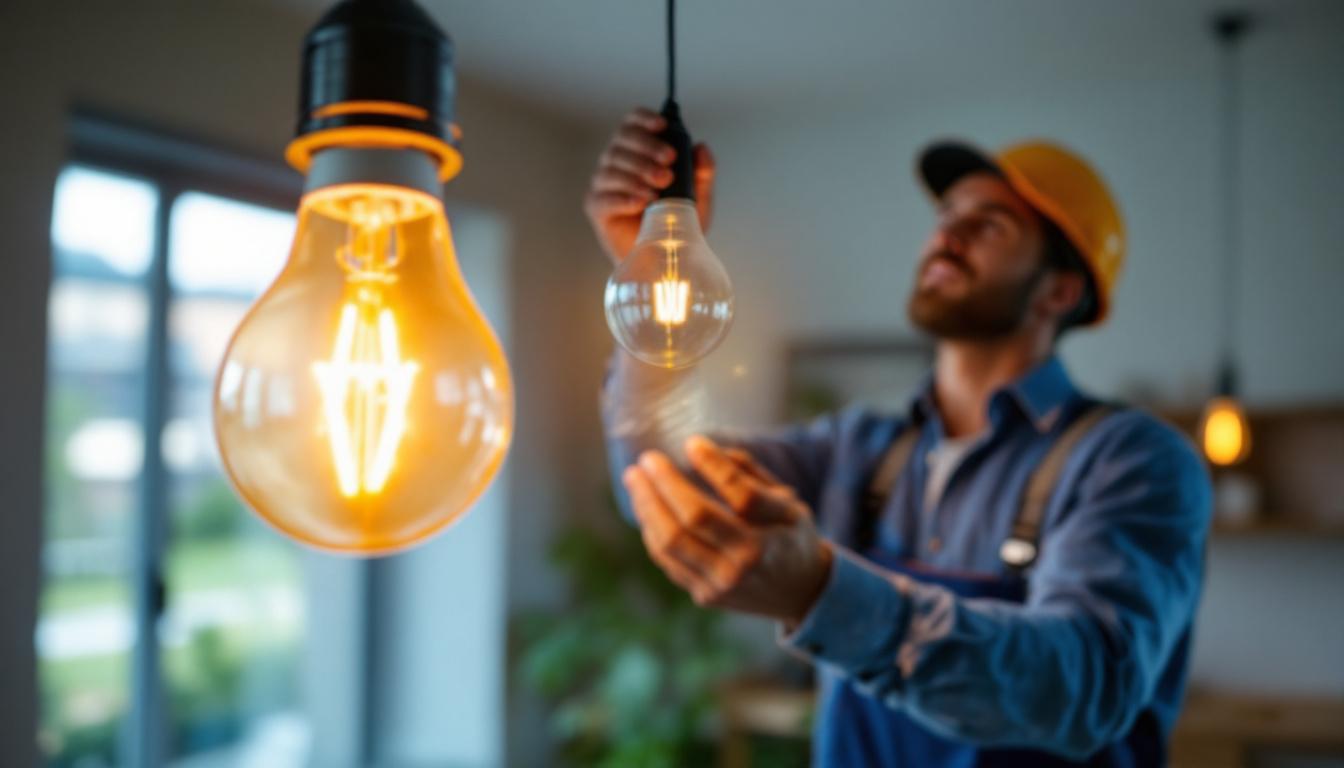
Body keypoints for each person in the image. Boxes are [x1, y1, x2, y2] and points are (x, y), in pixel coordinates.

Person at [588, 106, 1212, 766]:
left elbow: (1086, 688)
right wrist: (652, 277)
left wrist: (823, 594)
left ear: (1059, 291)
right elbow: (660, 482)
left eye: (988, 226)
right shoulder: (856, 448)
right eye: (946, 220)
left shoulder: (1132, 460)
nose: (946, 237)